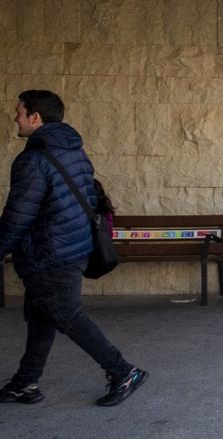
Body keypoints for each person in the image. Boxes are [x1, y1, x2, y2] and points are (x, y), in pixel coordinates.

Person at [0, 89, 148, 407]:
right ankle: (25, 383)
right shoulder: (72, 151)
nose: (15, 117)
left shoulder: (33, 159)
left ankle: (124, 372)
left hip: (51, 254)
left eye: (19, 111)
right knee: (42, 317)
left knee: (68, 316)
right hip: (73, 246)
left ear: (35, 117)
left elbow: (18, 215)